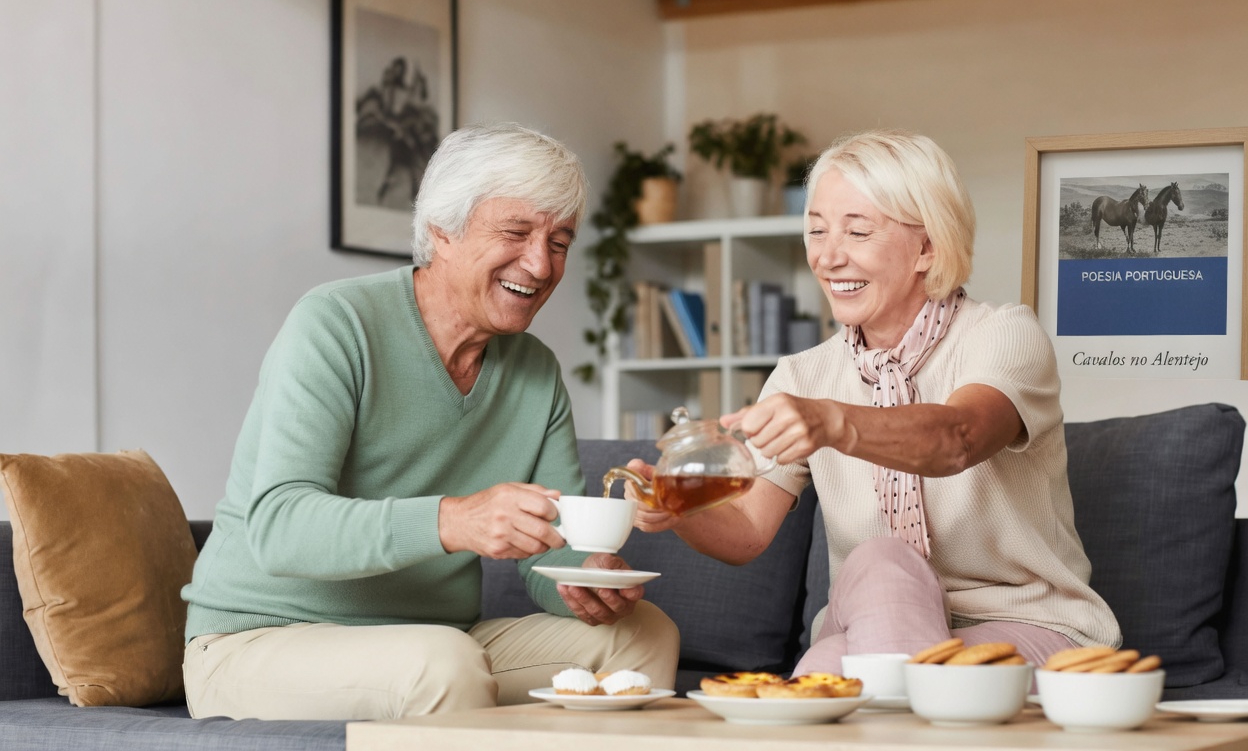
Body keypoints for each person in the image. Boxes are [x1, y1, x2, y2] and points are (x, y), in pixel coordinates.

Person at [182, 123, 679, 721]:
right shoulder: (336, 325)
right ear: (442, 230)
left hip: (430, 638)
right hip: (258, 640)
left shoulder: (535, 372)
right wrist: (454, 520)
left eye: (560, 241)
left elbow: (549, 550)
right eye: (516, 233)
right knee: (441, 661)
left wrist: (586, 577)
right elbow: (279, 525)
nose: (541, 264)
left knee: (642, 634)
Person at [628, 128, 1119, 675]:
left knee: (832, 667)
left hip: (1026, 629)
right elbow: (745, 531)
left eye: (858, 232)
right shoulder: (802, 375)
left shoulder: (1003, 335)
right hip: (873, 618)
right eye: (815, 231)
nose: (828, 257)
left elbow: (958, 438)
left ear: (927, 247)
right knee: (872, 584)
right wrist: (678, 509)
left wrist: (832, 421)